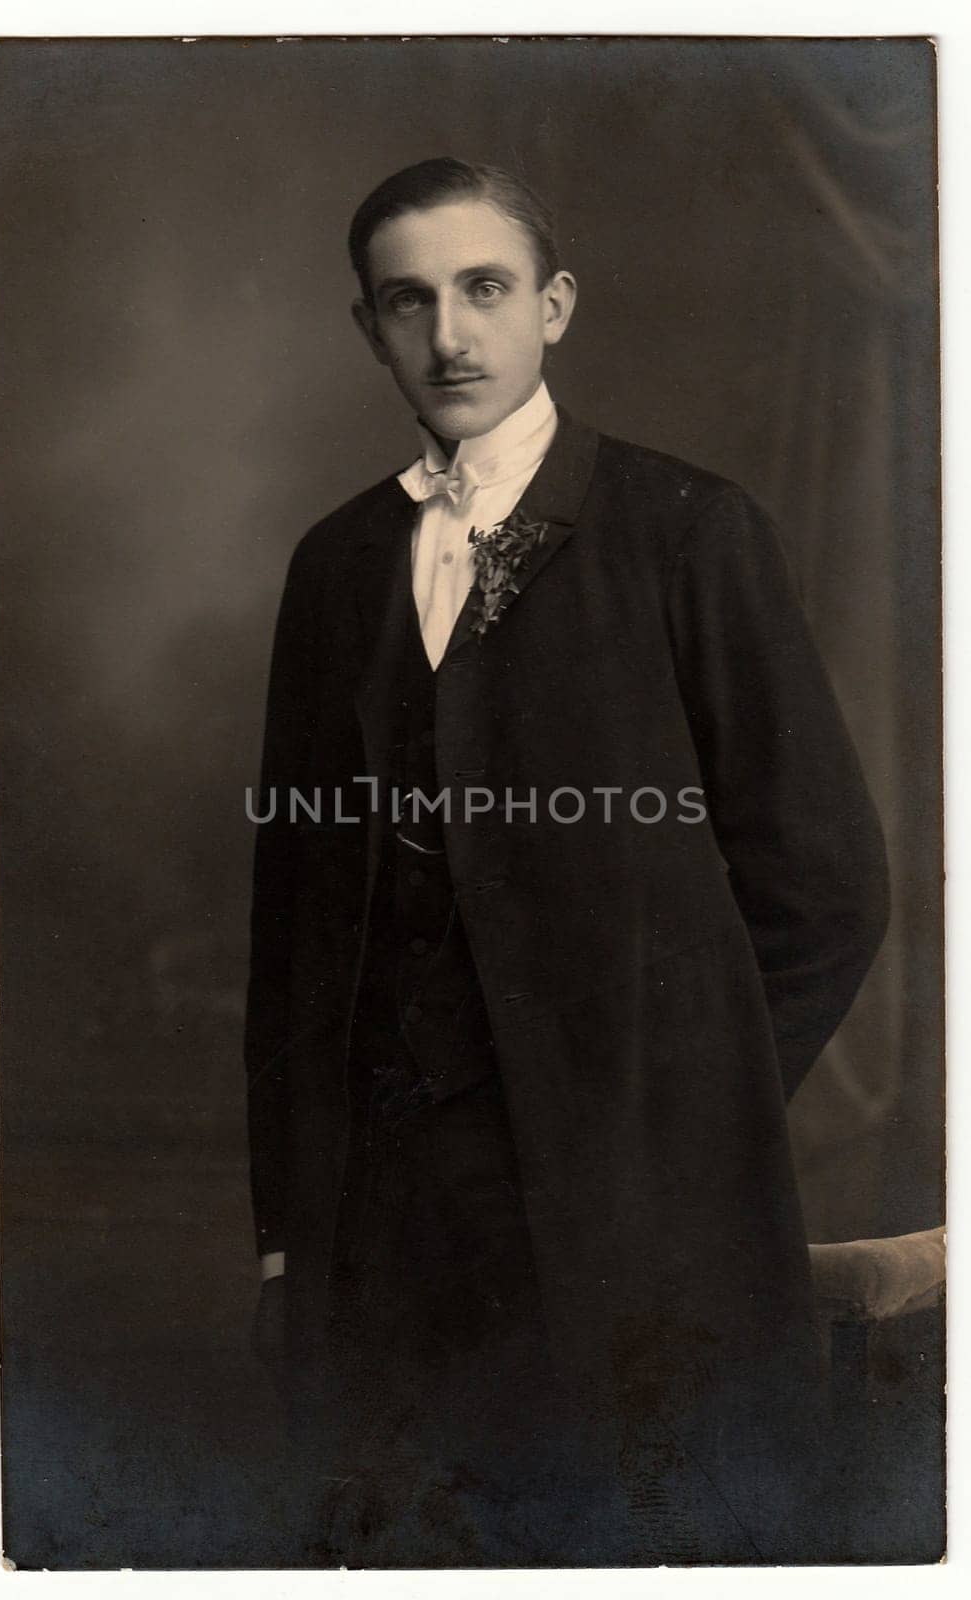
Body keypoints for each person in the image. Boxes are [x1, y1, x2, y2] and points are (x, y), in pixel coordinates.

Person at [245, 157, 890, 1566]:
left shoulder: (686, 533)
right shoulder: (337, 564)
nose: (451, 336)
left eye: (485, 289)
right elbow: (292, 924)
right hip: (386, 1234)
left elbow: (828, 885)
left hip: (638, 1229)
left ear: (556, 307)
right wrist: (292, 1220)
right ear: (369, 329)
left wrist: (673, 1106)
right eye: (408, 302)